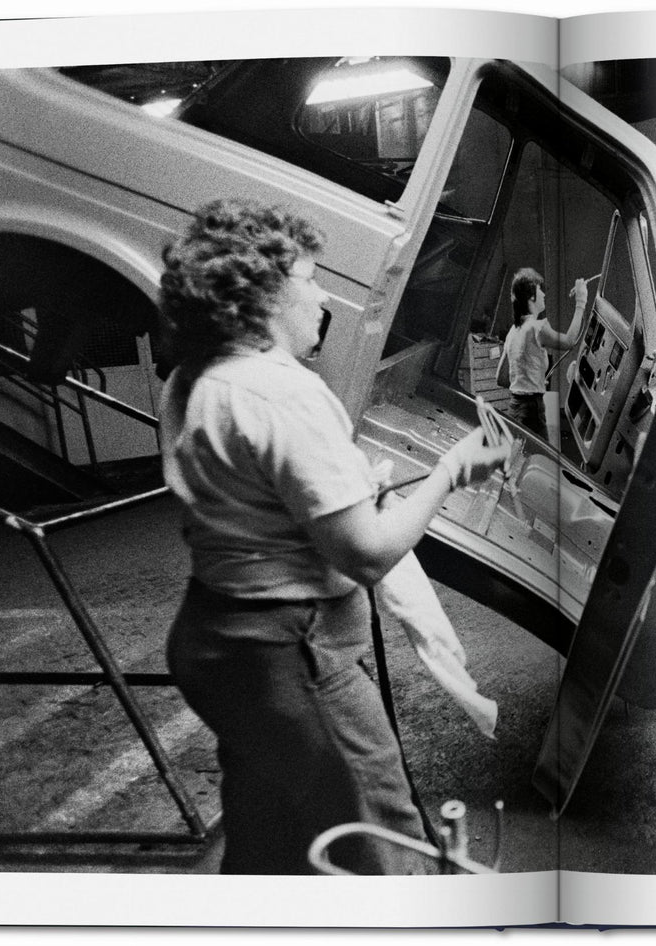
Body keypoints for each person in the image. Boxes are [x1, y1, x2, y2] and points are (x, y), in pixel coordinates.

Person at [158, 198, 508, 875]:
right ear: (263, 295)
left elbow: (254, 499)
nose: (323, 298)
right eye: (311, 280)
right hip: (290, 651)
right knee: (386, 845)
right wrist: (449, 472)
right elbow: (368, 553)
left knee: (268, 839)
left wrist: (351, 492)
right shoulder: (280, 392)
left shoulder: (195, 379)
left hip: (217, 641)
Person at [500, 267, 591, 440]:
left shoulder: (513, 331)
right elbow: (569, 341)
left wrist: (530, 379)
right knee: (541, 458)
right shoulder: (537, 327)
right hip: (532, 412)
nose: (543, 294)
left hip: (514, 408)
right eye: (539, 290)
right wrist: (581, 301)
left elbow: (501, 378)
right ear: (531, 297)